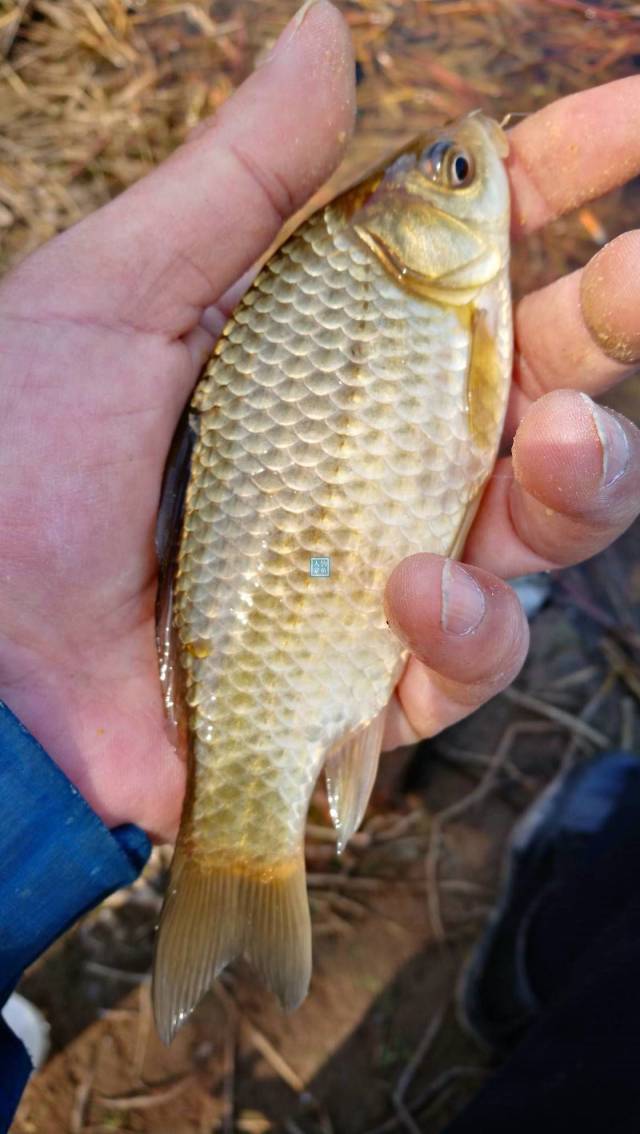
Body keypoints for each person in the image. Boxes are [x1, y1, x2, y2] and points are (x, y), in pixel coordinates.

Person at [0, 0, 639, 1127]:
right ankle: (241, 861)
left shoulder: (410, 283)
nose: (473, 169)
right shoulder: (393, 281)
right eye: (453, 172)